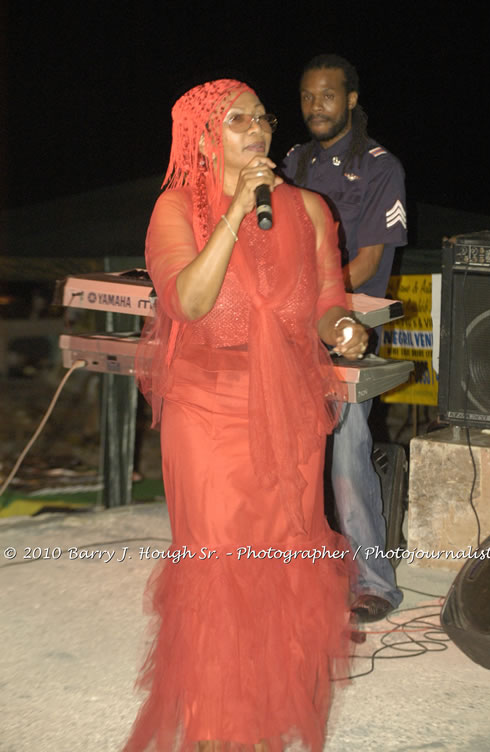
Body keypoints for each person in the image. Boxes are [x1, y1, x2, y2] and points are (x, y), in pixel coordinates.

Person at [123, 78, 368, 752]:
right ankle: (215, 729)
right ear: (203, 135)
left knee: (286, 559)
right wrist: (233, 214)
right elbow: (188, 302)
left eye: (262, 117)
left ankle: (266, 716)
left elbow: (324, 300)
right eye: (238, 120)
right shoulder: (174, 210)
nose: (257, 129)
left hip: (287, 411)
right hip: (207, 411)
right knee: (221, 573)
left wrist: (342, 327)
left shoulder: (311, 209)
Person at [281, 54, 407, 622]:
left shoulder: (382, 167)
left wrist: (313, 299)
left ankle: (374, 581)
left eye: (327, 96)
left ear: (351, 99)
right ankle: (293, 571)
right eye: (308, 97)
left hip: (350, 327)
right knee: (286, 454)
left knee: (348, 456)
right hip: (290, 328)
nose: (315, 107)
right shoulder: (291, 162)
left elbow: (370, 259)